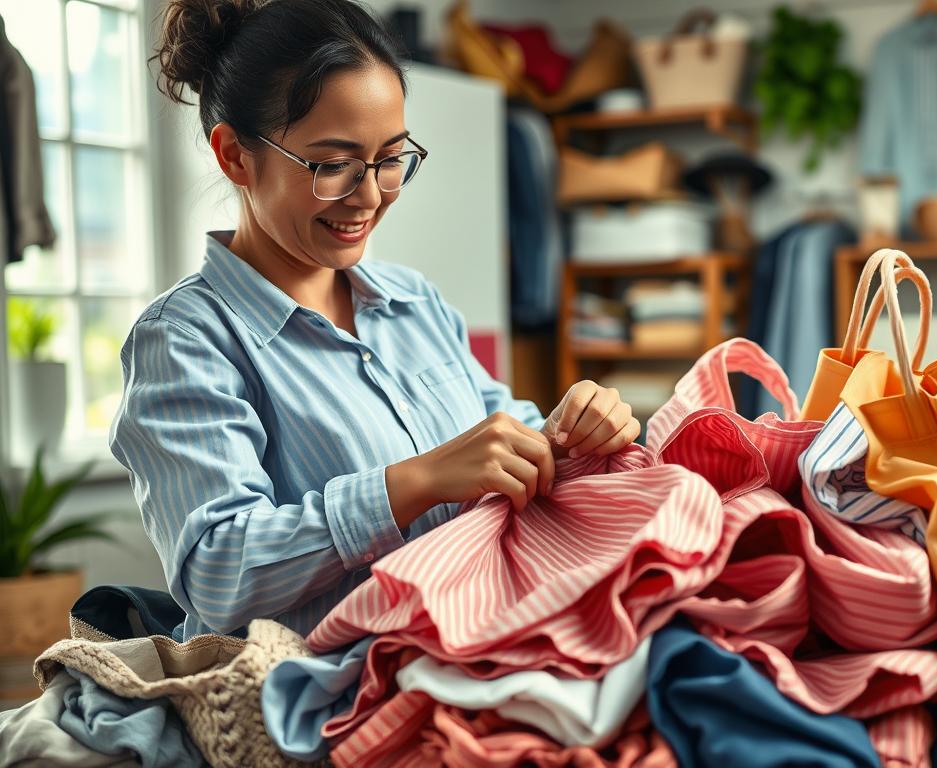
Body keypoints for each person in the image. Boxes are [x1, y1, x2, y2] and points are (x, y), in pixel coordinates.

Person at [109, 0, 640, 641]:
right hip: (320, 692)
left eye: (390, 158)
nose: (369, 196)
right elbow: (219, 575)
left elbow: (507, 439)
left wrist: (573, 429)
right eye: (332, 165)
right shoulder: (186, 342)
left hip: (474, 648)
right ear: (235, 157)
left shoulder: (415, 303)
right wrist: (412, 484)